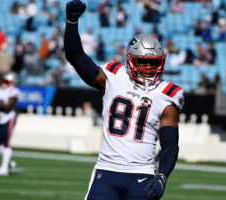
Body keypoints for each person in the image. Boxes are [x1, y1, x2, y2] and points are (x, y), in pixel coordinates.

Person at [64, 1, 184, 200]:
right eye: (143, 62)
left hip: (142, 174)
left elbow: (170, 145)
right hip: (106, 170)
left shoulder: (167, 93)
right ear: (130, 60)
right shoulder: (114, 77)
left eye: (153, 64)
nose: (147, 68)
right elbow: (75, 56)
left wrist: (162, 176)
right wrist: (71, 21)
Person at [0, 73, 20, 176]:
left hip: (9, 118)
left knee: (6, 144)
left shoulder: (14, 91)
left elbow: (7, 107)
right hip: (1, 118)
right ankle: (8, 162)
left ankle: (5, 169)